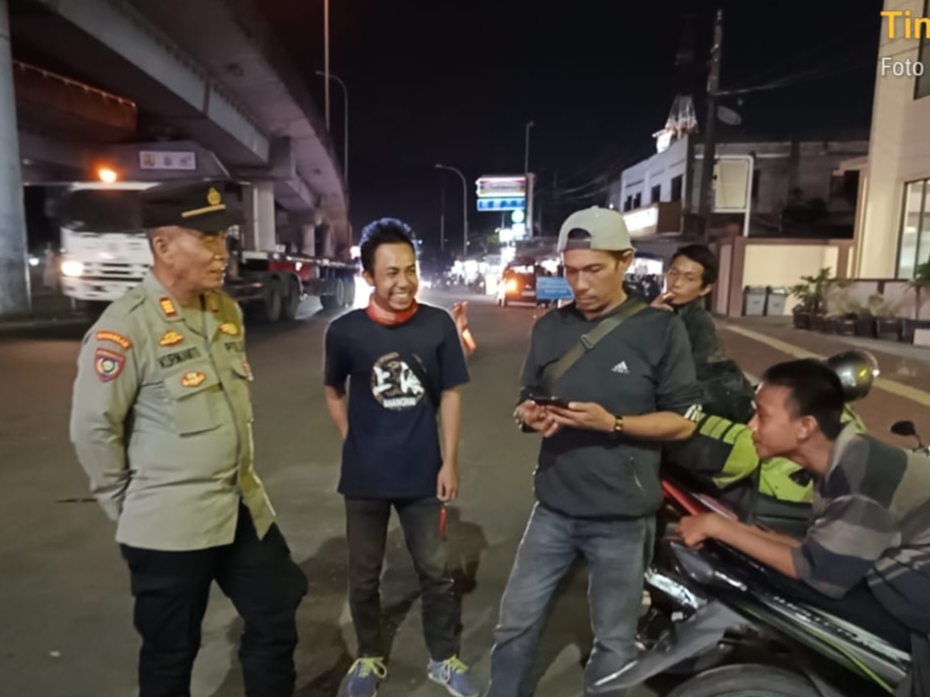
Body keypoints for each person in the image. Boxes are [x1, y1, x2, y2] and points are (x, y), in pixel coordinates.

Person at [69, 180, 307, 697]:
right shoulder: (126, 327)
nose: (223, 252)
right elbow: (93, 427)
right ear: (163, 246)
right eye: (208, 239)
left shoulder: (225, 311)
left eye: (224, 238)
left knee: (277, 608)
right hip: (169, 527)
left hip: (239, 504)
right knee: (170, 654)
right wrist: (126, 504)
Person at [487, 206, 703, 697]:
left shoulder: (660, 329)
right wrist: (529, 416)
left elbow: (684, 421)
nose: (580, 284)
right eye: (570, 270)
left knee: (614, 641)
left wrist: (615, 423)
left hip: (622, 517)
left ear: (624, 261)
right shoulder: (550, 328)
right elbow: (527, 397)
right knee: (515, 625)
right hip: (553, 509)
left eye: (594, 270)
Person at [323, 218, 481, 697]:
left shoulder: (437, 325)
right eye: (391, 272)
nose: (404, 281)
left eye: (410, 269)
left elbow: (450, 394)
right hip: (364, 478)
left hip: (422, 475)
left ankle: (443, 658)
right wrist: (352, 436)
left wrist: (449, 461)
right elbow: (333, 391)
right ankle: (368, 656)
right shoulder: (345, 332)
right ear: (368, 276)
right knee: (363, 576)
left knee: (435, 571)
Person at [677, 359, 930, 653]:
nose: (751, 425)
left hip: (917, 602)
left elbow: (818, 572)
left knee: (792, 588)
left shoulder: (859, 479)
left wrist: (718, 527)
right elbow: (811, 548)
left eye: (762, 416)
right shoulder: (844, 459)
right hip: (901, 577)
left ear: (805, 427)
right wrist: (731, 529)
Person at [652, 244, 721, 366]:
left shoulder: (700, 324)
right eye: (673, 273)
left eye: (689, 279)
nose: (677, 283)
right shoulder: (650, 306)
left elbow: (700, 369)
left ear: (705, 289)